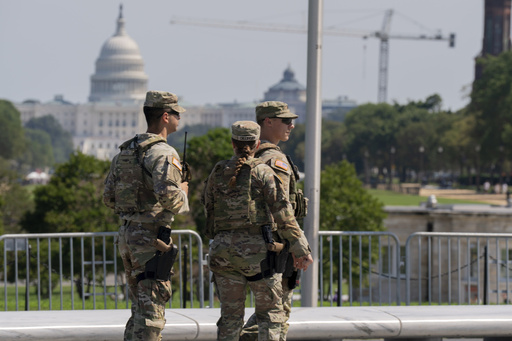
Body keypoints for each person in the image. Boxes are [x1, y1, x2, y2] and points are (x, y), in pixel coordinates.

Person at [203, 120, 313, 341]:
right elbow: (283, 212)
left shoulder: (218, 171)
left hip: (223, 253)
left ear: (233, 143)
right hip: (258, 255)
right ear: (257, 144)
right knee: (271, 316)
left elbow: (209, 209)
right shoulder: (262, 171)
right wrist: (301, 248)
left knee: (230, 319)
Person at [103, 90, 189, 341]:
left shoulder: (126, 151)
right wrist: (183, 192)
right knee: (152, 312)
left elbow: (108, 197)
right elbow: (170, 199)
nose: (178, 119)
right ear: (165, 116)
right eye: (176, 114)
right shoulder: (163, 153)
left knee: (140, 308)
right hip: (151, 240)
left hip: (128, 235)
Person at [240, 101, 311, 341]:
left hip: (260, 243)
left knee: (268, 313)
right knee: (276, 313)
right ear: (267, 122)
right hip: (276, 245)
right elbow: (281, 207)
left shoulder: (251, 153)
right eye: (286, 120)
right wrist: (298, 244)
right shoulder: (274, 159)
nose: (292, 125)